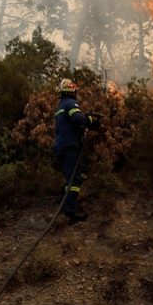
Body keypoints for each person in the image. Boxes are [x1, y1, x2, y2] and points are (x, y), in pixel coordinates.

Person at [53, 78, 100, 224]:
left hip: (62, 146)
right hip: (70, 147)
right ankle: (70, 212)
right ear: (72, 90)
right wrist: (90, 119)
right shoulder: (70, 103)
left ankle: (64, 200)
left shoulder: (60, 106)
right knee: (74, 180)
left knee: (79, 172)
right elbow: (78, 118)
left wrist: (84, 127)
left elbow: (69, 125)